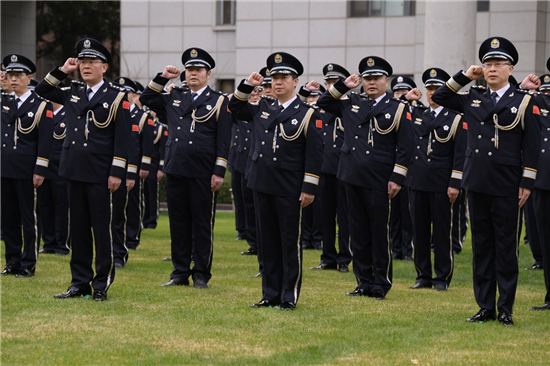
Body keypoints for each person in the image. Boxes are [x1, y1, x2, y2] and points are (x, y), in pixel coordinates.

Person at [432, 36, 540, 325]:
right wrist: (466, 76)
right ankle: (485, 306)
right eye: (487, 64)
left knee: (506, 247)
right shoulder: (473, 98)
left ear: (511, 68)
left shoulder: (525, 102)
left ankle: (505, 307)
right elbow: (440, 97)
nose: (491, 69)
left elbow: (532, 145)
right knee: (482, 247)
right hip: (477, 181)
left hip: (508, 183)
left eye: (498, 64)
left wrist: (527, 182)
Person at [36, 37, 131, 301]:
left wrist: (116, 172)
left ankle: (101, 283)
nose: (86, 67)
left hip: (101, 173)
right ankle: (79, 282)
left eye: (91, 62)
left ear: (104, 67)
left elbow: (123, 140)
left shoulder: (117, 98)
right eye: (83, 62)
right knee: (77, 231)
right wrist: (63, 70)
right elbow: (42, 89)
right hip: (73, 170)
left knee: (102, 230)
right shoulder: (73, 91)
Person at [229, 52, 323, 310]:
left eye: (284, 78)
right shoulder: (262, 108)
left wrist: (309, 187)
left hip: (290, 187)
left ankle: (288, 295)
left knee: (288, 242)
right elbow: (234, 108)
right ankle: (269, 294)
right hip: (262, 183)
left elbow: (314, 154)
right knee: (267, 242)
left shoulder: (307, 114)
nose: (278, 82)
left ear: (296, 82)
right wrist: (248, 84)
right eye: (274, 78)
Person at [317, 56, 412, 300]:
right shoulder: (351, 102)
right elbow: (325, 102)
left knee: (379, 232)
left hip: (381, 179)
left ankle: (381, 282)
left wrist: (397, 178)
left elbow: (406, 147)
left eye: (376, 78)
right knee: (357, 233)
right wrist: (344, 85)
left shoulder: (399, 108)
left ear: (386, 81)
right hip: (351, 175)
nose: (371, 82)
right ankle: (363, 281)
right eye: (367, 78)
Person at [140, 48, 232, 289]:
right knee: (178, 223)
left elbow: (224, 139)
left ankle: (201, 273)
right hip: (176, 167)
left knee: (201, 224)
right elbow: (146, 99)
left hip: (203, 170)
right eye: (190, 70)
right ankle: (180, 272)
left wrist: (219, 171)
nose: (193, 73)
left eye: (198, 70)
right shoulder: (174, 96)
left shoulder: (219, 101)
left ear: (208, 74)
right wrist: (162, 78)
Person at [404, 68, 466, 291]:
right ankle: (423, 276)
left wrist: (455, 183)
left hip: (442, 184)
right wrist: (405, 98)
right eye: (429, 88)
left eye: (437, 88)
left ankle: (442, 277)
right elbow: (396, 112)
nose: (432, 93)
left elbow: (460, 154)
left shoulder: (457, 118)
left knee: (442, 232)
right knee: (419, 231)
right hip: (417, 181)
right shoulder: (419, 114)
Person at [1, 54, 54, 277]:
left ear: (28, 78)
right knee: (8, 219)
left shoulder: (41, 105)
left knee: (28, 218)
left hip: (27, 170)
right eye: (9, 75)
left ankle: (28, 263)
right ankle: (12, 261)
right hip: (5, 168)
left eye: (18, 75)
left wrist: (40, 169)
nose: (13, 79)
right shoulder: (4, 102)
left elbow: (46, 141)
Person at [307, 63, 352, 272]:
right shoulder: (321, 107)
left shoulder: (352, 106)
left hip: (344, 170)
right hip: (324, 169)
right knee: (324, 216)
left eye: (336, 82)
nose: (331, 85)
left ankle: (344, 258)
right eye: (329, 82)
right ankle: (327, 258)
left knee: (345, 217)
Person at [38, 83, 70, 256]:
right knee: (45, 206)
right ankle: (48, 242)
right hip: (44, 168)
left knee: (61, 207)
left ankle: (62, 243)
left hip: (60, 168)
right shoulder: (43, 114)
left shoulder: (68, 114)